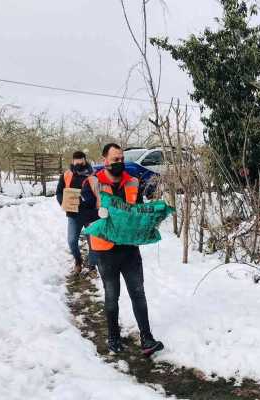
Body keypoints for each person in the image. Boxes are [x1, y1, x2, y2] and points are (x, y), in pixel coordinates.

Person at [82, 143, 164, 356]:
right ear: (105, 159)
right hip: (105, 249)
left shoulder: (133, 181)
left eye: (121, 159)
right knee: (112, 295)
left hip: (129, 248)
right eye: (114, 159)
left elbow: (136, 209)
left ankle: (147, 338)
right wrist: (96, 215)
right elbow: (81, 213)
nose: (119, 162)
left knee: (138, 293)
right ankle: (113, 337)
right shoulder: (93, 183)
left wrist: (148, 220)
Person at [55, 151, 98, 277]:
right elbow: (59, 192)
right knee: (72, 241)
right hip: (73, 214)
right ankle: (78, 261)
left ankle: (92, 265)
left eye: (81, 160)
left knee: (93, 242)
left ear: (85, 160)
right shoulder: (66, 175)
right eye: (76, 160)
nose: (79, 162)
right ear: (73, 161)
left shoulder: (93, 174)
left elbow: (99, 194)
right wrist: (64, 202)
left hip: (90, 214)